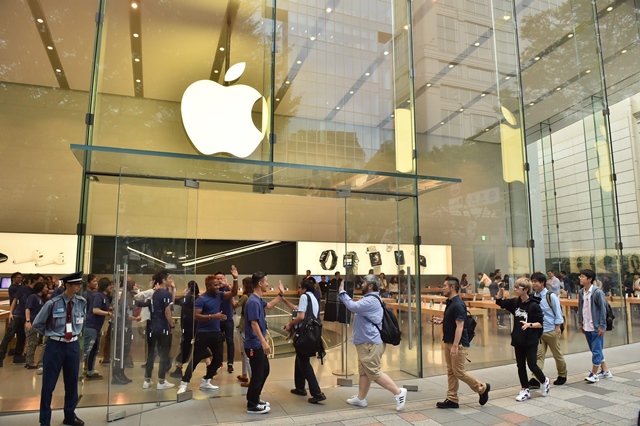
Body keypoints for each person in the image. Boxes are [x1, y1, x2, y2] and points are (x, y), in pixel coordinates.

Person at [338, 274, 407, 411]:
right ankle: (361, 398)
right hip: (366, 342)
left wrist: (342, 292)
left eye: (363, 283)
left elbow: (352, 306)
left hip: (370, 343)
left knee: (373, 372)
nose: (361, 284)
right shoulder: (371, 299)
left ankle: (398, 392)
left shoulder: (371, 301)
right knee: (364, 372)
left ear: (370, 286)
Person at [32, 271, 87, 426]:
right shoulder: (52, 303)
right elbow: (37, 324)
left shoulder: (81, 302)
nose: (78, 287)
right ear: (67, 285)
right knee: (48, 385)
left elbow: (81, 321)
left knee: (71, 383)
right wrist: (51, 334)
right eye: (76, 284)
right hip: (55, 345)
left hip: (73, 345)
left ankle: (69, 415)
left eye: (79, 284)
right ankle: (45, 421)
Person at [177, 268, 238, 394]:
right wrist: (213, 316)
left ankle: (206, 380)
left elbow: (233, 293)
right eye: (215, 285)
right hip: (203, 333)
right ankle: (184, 383)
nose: (218, 287)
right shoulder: (201, 299)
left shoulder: (219, 296)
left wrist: (235, 279)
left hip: (216, 333)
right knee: (195, 359)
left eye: (218, 285)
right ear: (208, 286)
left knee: (218, 359)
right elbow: (196, 316)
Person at [432, 276, 490, 409]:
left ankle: (482, 388)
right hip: (449, 341)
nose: (443, 288)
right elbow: (453, 321)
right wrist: (442, 321)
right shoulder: (451, 302)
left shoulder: (458, 304)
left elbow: (460, 326)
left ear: (452, 287)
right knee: (451, 371)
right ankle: (452, 398)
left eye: (445, 286)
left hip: (457, 343)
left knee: (459, 372)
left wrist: (455, 346)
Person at [495, 277, 549, 402]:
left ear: (525, 290)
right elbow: (499, 302)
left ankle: (544, 380)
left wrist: (529, 325)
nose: (515, 290)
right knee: (520, 366)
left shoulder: (534, 305)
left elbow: (540, 323)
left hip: (530, 340)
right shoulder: (515, 302)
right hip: (518, 339)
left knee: (532, 365)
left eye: (517, 288)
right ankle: (525, 389)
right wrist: (501, 290)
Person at [244, 272, 286, 414]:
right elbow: (254, 323)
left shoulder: (258, 300)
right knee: (258, 373)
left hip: (257, 343)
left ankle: (255, 397)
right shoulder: (253, 302)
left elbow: (269, 306)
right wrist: (263, 342)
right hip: (254, 344)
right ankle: (252, 404)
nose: (268, 284)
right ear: (260, 284)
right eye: (266, 281)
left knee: (264, 370)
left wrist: (280, 295)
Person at [283, 279, 326, 404]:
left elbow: (301, 316)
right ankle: (300, 387)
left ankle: (317, 392)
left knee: (304, 362)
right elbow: (297, 309)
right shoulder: (313, 298)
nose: (298, 290)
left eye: (300, 287)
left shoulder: (303, 297)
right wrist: (284, 299)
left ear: (305, 289)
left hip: (304, 334)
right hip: (314, 333)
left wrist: (290, 324)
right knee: (300, 358)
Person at [528, 272, 567, 388]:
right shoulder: (533, 297)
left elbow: (558, 314)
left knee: (557, 355)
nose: (533, 283)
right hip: (539, 332)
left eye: (535, 281)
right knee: (539, 356)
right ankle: (535, 378)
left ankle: (562, 375)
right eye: (532, 281)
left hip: (551, 330)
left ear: (542, 283)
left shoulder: (551, 296)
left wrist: (557, 329)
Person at [578, 269, 613, 382]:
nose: (580, 278)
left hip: (596, 326)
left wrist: (602, 326)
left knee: (597, 350)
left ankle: (594, 374)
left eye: (582, 276)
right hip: (586, 325)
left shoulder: (597, 292)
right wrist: (580, 322)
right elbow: (580, 308)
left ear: (589, 279)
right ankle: (605, 371)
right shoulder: (581, 292)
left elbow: (603, 310)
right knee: (594, 350)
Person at [143, 270, 176, 390]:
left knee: (151, 353)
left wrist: (173, 289)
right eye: (169, 278)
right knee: (164, 354)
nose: (171, 280)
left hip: (152, 326)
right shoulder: (164, 294)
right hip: (163, 327)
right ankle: (161, 381)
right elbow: (168, 310)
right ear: (164, 280)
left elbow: (169, 302)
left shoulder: (155, 293)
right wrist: (172, 325)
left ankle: (147, 379)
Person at [0, 273, 42, 366]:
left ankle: (18, 356)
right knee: (9, 335)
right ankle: (1, 356)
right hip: (18, 315)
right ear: (34, 280)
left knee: (21, 336)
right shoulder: (22, 289)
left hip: (25, 317)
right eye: (40, 280)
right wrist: (11, 312)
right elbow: (15, 300)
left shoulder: (34, 292)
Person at [83, 277, 113, 380]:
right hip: (91, 327)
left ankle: (90, 371)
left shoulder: (105, 297)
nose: (111, 287)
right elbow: (95, 310)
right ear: (105, 286)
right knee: (87, 349)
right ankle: (77, 371)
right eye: (110, 285)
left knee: (94, 349)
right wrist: (108, 313)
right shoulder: (98, 296)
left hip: (96, 328)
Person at [111, 279, 139, 385]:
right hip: (121, 327)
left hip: (127, 327)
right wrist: (134, 318)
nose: (136, 287)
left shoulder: (131, 297)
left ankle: (121, 373)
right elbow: (124, 313)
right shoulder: (125, 297)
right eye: (135, 285)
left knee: (125, 352)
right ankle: (116, 374)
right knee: (119, 352)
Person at [170, 280, 199, 379]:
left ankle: (179, 367)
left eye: (186, 287)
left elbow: (173, 302)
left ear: (189, 288)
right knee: (199, 346)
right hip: (197, 326)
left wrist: (173, 289)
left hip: (187, 327)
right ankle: (209, 365)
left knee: (185, 347)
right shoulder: (199, 299)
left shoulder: (186, 299)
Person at [24, 281, 49, 369]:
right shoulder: (33, 297)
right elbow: (28, 309)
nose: (47, 289)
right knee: (32, 343)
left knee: (35, 342)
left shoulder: (41, 299)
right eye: (46, 287)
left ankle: (31, 361)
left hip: (38, 324)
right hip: (32, 322)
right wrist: (28, 321)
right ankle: (29, 362)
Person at [216, 271, 236, 374]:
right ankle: (218, 362)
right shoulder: (214, 290)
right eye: (217, 278)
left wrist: (227, 284)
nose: (219, 280)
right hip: (217, 320)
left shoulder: (229, 288)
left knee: (230, 341)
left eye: (221, 278)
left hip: (228, 319)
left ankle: (230, 364)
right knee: (218, 342)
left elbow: (234, 292)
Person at [235, 277, 253, 387]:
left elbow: (235, 305)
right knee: (243, 353)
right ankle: (244, 374)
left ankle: (250, 379)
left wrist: (231, 293)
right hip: (249, 328)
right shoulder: (254, 297)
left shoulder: (245, 297)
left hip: (244, 328)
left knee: (246, 355)